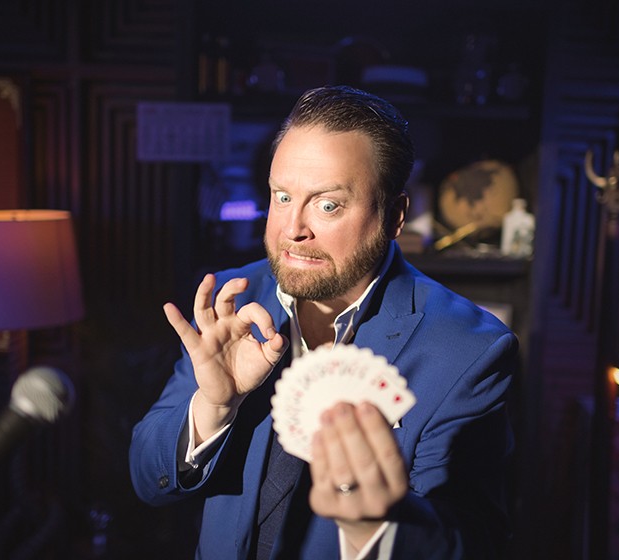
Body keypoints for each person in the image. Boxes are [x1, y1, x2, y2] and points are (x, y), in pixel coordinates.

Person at [129, 85, 518, 559]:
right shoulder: (235, 299)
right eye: (282, 196)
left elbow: (475, 544)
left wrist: (379, 522)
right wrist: (213, 406)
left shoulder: (469, 350)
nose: (292, 229)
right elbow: (149, 481)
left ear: (395, 215)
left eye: (327, 204)